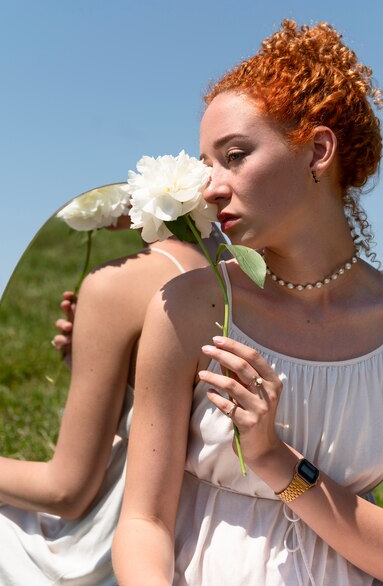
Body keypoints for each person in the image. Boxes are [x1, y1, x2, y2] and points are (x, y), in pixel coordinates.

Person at [112, 20, 383, 586]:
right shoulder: (189, 304)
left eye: (234, 155)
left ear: (318, 151)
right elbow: (142, 520)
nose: (211, 187)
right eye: (207, 166)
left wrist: (275, 459)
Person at [0, 223, 222, 585]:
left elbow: (66, 492)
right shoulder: (253, 267)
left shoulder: (118, 282)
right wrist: (102, 372)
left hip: (129, 547)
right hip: (224, 530)